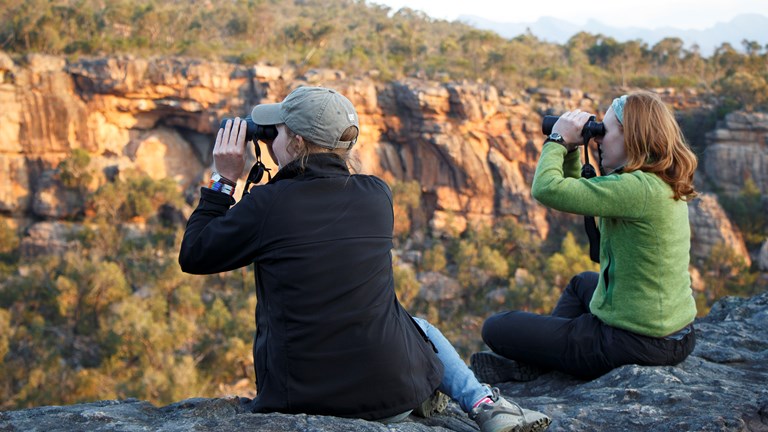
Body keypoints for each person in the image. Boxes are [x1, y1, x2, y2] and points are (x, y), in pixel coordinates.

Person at [179, 86, 550, 432]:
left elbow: (195, 254)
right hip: (394, 398)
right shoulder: (377, 195)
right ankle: (484, 404)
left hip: (304, 402)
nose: (269, 139)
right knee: (415, 323)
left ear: (295, 141)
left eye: (275, 132)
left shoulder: (267, 205)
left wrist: (223, 179)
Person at [472, 90, 698, 382]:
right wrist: (572, 149)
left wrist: (557, 140)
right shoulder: (654, 181)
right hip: (673, 334)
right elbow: (580, 192)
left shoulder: (634, 189)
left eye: (605, 131)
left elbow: (547, 189)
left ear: (632, 136)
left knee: (496, 328)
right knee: (582, 283)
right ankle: (547, 357)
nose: (598, 138)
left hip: (635, 342)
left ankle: (540, 362)